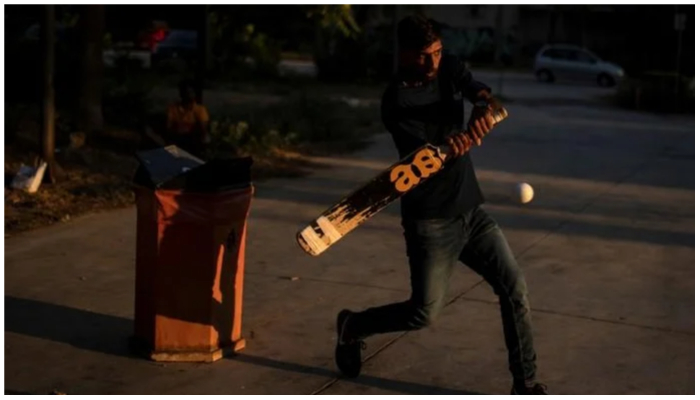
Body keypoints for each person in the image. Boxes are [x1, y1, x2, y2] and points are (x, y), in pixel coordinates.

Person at [334, 16, 548, 395]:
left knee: (514, 287)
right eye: (424, 55)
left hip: (471, 209)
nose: (433, 62)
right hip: (430, 221)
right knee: (423, 313)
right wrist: (457, 142)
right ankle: (353, 326)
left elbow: (477, 89)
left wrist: (484, 105)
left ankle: (525, 384)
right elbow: (425, 160)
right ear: (404, 54)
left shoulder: (448, 65)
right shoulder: (396, 101)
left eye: (436, 52)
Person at [164, 79, 210, 156]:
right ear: (181, 93)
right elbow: (168, 128)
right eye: (185, 92)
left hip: (192, 141)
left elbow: (203, 130)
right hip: (177, 140)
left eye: (190, 92)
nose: (188, 95)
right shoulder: (173, 108)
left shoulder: (200, 109)